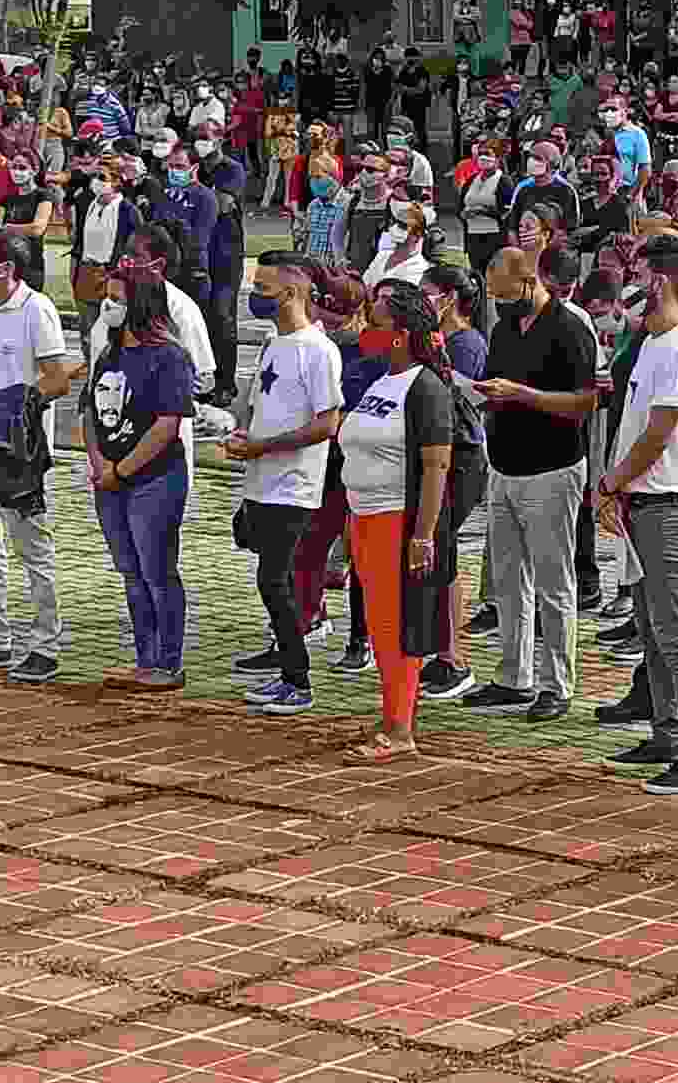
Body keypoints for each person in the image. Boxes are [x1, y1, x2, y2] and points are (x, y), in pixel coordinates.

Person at [594, 242, 678, 796]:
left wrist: (611, 480)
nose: (628, 285)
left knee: (675, 632)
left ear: (662, 282)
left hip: (666, 505)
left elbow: (658, 434)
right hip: (642, 503)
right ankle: (667, 735)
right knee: (652, 628)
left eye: (638, 275)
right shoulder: (652, 342)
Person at [333, 276, 468, 763]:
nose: (366, 327)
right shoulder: (381, 381)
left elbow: (437, 465)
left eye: (377, 320)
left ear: (402, 333)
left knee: (396, 627)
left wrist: (424, 533)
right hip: (366, 516)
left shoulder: (427, 387)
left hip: (399, 521)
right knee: (378, 626)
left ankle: (399, 727)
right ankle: (392, 713)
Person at [468, 243, 598, 720]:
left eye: (504, 294)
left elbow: (586, 401)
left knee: (552, 582)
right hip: (504, 466)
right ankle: (512, 676)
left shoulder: (569, 329)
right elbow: (498, 382)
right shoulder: (504, 328)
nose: (499, 304)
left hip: (553, 469)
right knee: (506, 579)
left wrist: (521, 395)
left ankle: (556, 685)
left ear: (528, 282)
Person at [224, 253, 348, 713]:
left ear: (292, 293)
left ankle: (297, 679)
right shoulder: (274, 344)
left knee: (275, 580)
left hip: (293, 484)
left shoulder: (317, 350)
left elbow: (326, 423)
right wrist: (246, 438)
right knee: (270, 580)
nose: (256, 296)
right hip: (262, 479)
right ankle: (284, 661)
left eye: (263, 288)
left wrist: (264, 446)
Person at [0, 228, 76, 680]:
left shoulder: (36, 308)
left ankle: (45, 642)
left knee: (32, 544)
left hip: (20, 443)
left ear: (8, 267)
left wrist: (13, 405)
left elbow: (57, 379)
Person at [86, 263, 198, 689]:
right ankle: (144, 658)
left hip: (155, 479)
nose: (108, 305)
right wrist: (100, 463)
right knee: (130, 571)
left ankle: (169, 662)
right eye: (107, 297)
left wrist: (122, 469)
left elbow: (168, 424)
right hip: (111, 480)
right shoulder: (110, 351)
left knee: (157, 570)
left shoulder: (168, 356)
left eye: (117, 298)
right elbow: (90, 412)